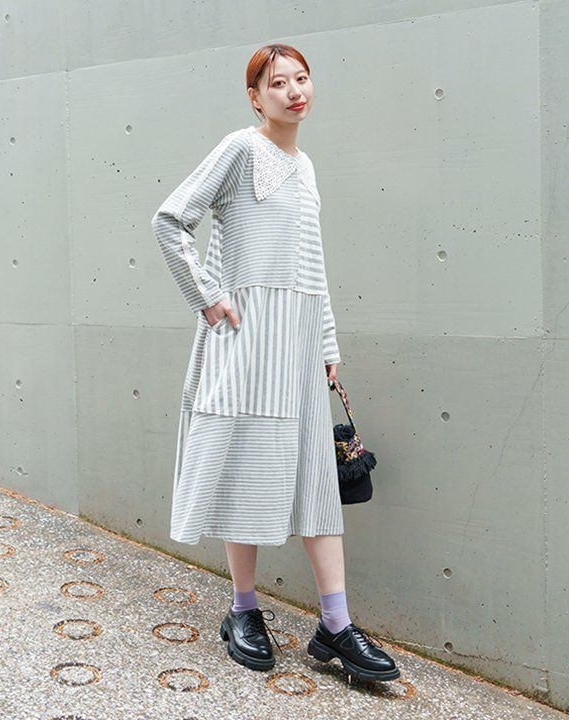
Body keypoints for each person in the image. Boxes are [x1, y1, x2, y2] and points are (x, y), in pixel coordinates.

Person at [151, 42, 400, 683]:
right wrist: (208, 297)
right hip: (245, 340)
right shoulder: (240, 148)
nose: (294, 91)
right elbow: (170, 220)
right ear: (255, 97)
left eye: (302, 79)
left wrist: (327, 347)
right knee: (244, 471)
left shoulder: (306, 166)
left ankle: (335, 624)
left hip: (299, 344)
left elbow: (313, 268)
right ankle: (243, 609)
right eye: (278, 82)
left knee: (316, 476)